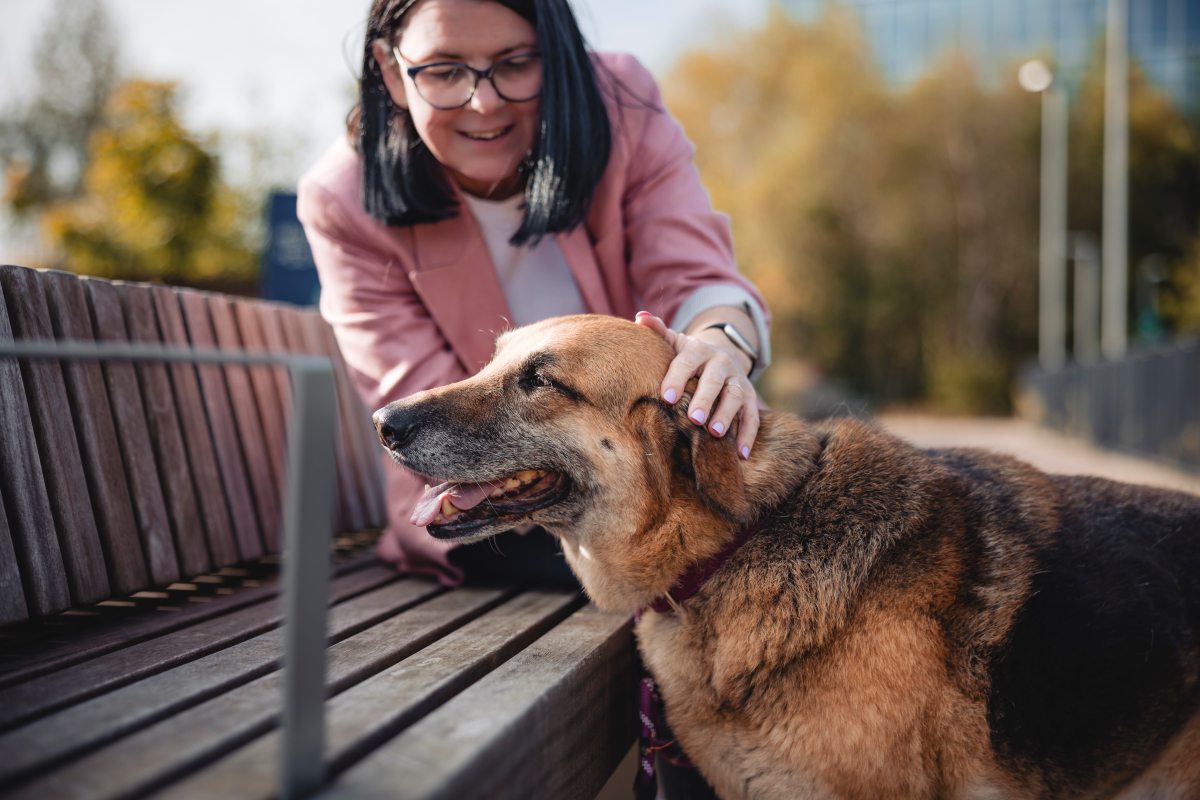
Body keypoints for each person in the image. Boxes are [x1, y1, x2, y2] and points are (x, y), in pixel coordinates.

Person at [297, 0, 771, 589]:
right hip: (483, 516)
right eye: (443, 71)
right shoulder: (342, 200)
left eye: (515, 63)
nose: (483, 101)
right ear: (392, 71)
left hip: (639, 480)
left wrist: (719, 347)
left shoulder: (621, 104)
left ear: (559, 57)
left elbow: (695, 276)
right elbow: (426, 414)